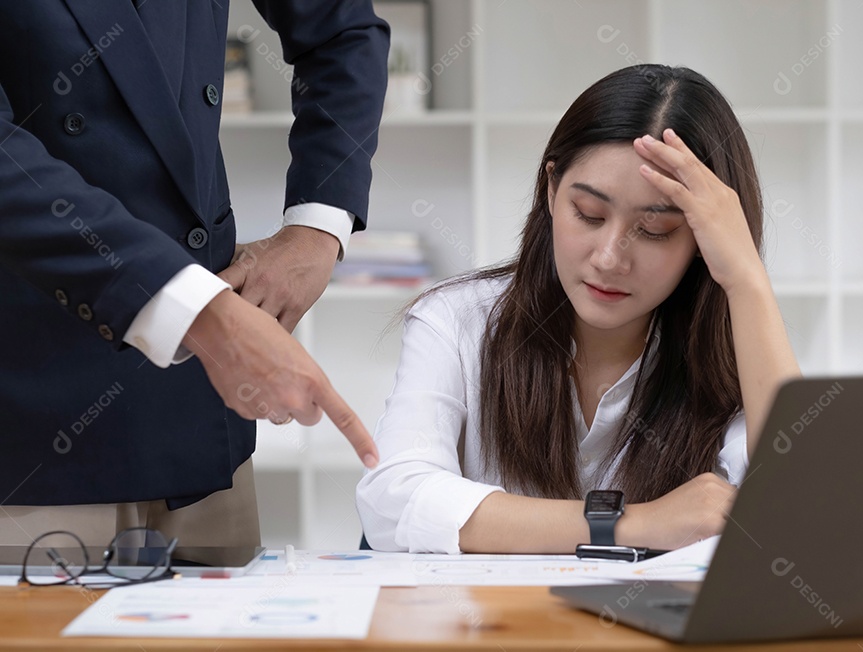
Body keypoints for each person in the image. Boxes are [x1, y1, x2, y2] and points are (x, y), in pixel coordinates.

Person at [356, 64, 802, 554]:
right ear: (551, 190)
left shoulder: (738, 350)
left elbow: (805, 516)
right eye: (589, 215)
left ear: (703, 238)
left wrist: (747, 278)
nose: (609, 258)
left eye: (655, 230)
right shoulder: (457, 322)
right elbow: (393, 502)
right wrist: (630, 524)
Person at [0, 1, 387, 547]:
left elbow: (341, 28)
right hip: (29, 434)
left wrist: (317, 226)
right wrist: (203, 314)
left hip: (201, 425)